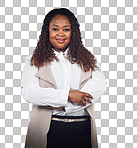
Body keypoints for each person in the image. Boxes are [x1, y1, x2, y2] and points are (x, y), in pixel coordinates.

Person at [21, 8, 106, 148]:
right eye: (55, 29)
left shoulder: (88, 59)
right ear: (47, 31)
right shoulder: (34, 60)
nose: (60, 33)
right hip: (49, 131)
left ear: (73, 32)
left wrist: (58, 102)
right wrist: (68, 95)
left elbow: (99, 85)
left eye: (66, 29)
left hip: (83, 130)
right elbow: (30, 92)